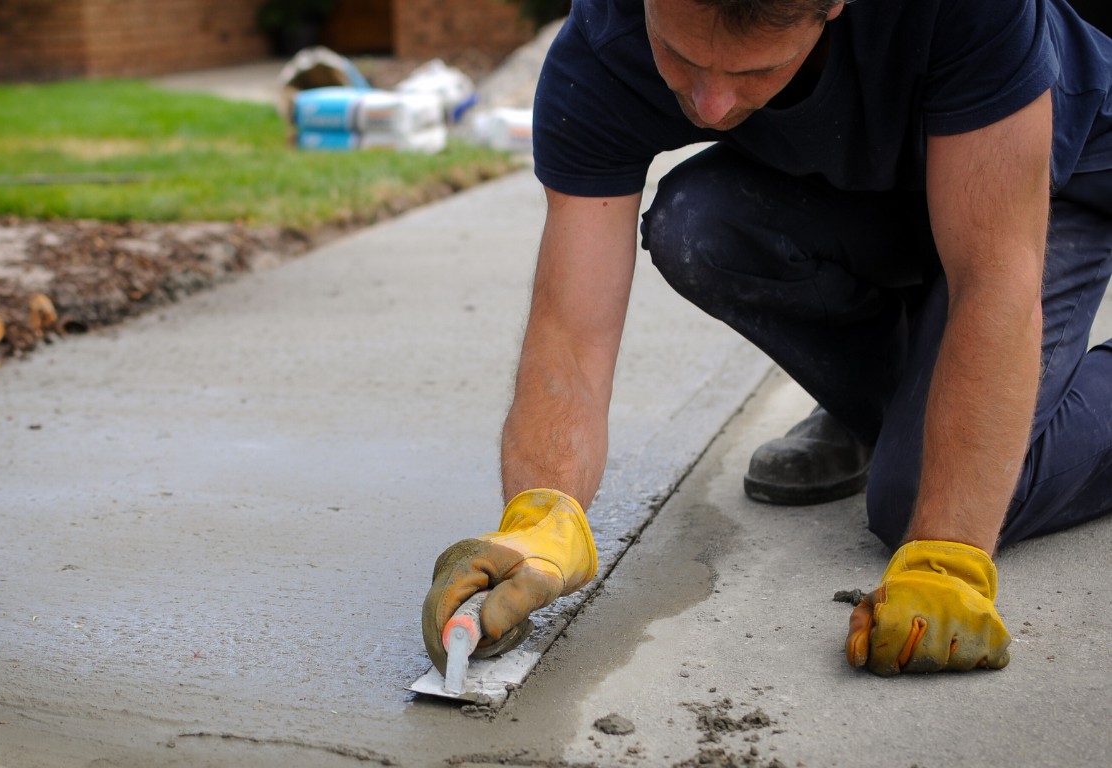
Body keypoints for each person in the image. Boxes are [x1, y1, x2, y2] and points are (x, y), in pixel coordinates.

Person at [423, 0, 1112, 677]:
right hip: (893, 186)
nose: (713, 104)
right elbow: (570, 332)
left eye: (754, 72)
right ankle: (896, 403)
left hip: (1055, 178)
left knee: (919, 500)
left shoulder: (969, 12)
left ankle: (908, 420)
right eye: (681, 58)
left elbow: (995, 283)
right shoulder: (603, 46)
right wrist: (538, 521)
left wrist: (948, 558)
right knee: (699, 227)